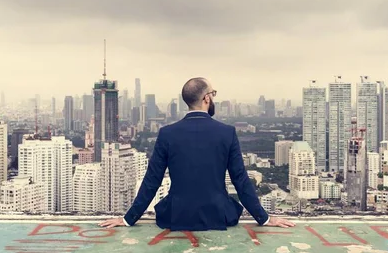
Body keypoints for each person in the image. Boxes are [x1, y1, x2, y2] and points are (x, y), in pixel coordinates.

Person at [100, 77, 295, 231]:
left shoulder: (167, 133)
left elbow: (152, 180)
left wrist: (128, 219)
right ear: (207, 98)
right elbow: (241, 180)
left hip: (176, 216)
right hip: (219, 215)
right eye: (213, 93)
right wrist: (264, 218)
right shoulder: (227, 132)